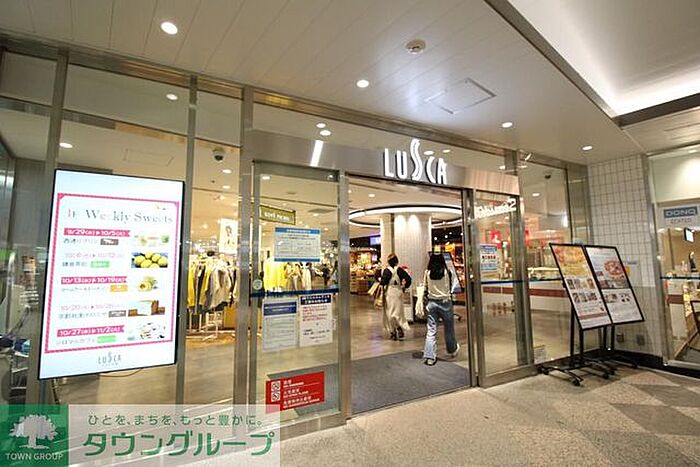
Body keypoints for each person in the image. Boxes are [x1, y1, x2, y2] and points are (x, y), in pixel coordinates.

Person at [422, 253, 459, 365]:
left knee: (431, 330)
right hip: (445, 303)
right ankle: (452, 350)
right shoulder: (448, 272)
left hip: (432, 303)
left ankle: (430, 357)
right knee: (449, 329)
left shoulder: (427, 273)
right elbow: (452, 287)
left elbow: (425, 287)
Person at [380, 253, 412, 340]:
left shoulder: (387, 271)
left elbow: (383, 282)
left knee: (389, 312)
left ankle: (393, 331)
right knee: (398, 312)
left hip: (390, 292)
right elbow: (409, 279)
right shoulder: (400, 270)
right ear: (396, 261)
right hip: (398, 292)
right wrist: (404, 286)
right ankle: (399, 327)